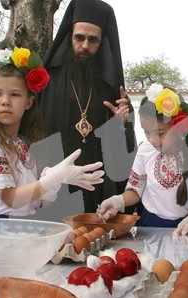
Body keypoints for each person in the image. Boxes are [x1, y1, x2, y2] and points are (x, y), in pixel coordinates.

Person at [0, 47, 105, 218]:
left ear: (29, 102)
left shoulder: (21, 142)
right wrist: (50, 180)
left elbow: (35, 202)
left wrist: (53, 181)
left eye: (15, 94)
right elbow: (10, 198)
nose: (5, 101)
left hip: (23, 226)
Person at [37, 0, 136, 214]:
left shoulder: (111, 91)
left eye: (93, 40)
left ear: (102, 43)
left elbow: (120, 153)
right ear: (69, 35)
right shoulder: (47, 81)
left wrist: (121, 126)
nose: (85, 46)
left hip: (93, 186)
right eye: (79, 38)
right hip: (52, 184)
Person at [96, 84, 188, 236]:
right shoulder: (145, 151)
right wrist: (117, 201)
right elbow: (136, 192)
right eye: (146, 132)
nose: (152, 139)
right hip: (148, 226)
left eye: (160, 133)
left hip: (184, 229)